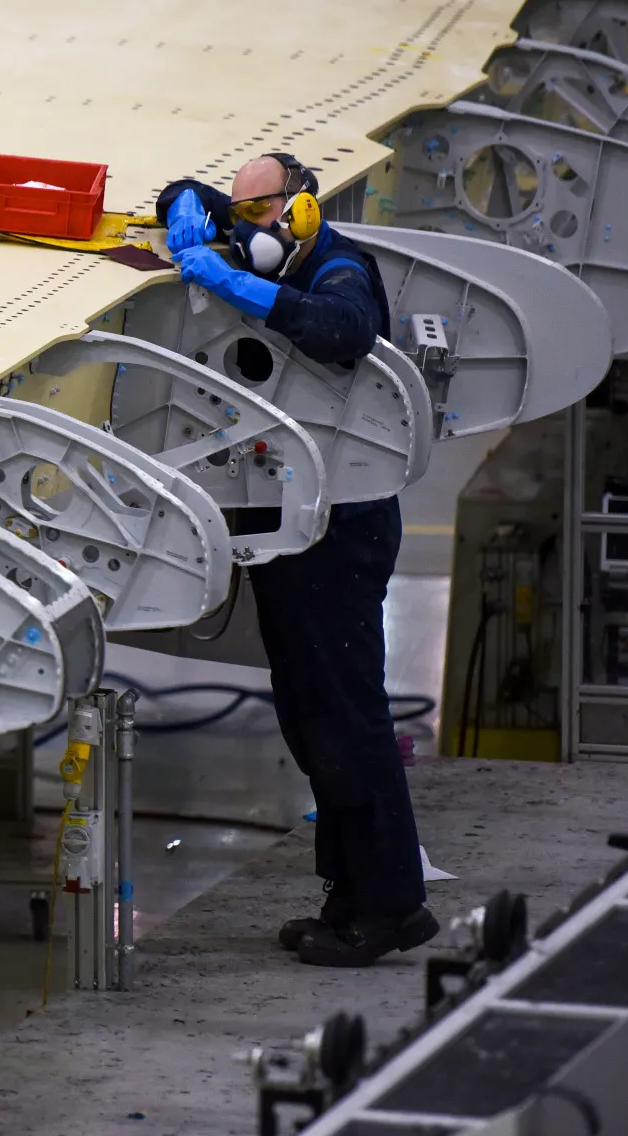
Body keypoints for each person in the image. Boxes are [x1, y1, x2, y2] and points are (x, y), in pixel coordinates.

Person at [154, 154, 438, 968]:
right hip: (297, 521)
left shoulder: (343, 268)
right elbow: (192, 194)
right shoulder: (263, 238)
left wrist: (240, 286)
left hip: (338, 529)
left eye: (263, 211)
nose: (250, 227)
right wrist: (187, 211)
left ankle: (392, 904)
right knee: (313, 717)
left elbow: (343, 333)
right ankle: (349, 895)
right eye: (242, 215)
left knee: (349, 717)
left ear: (303, 208)